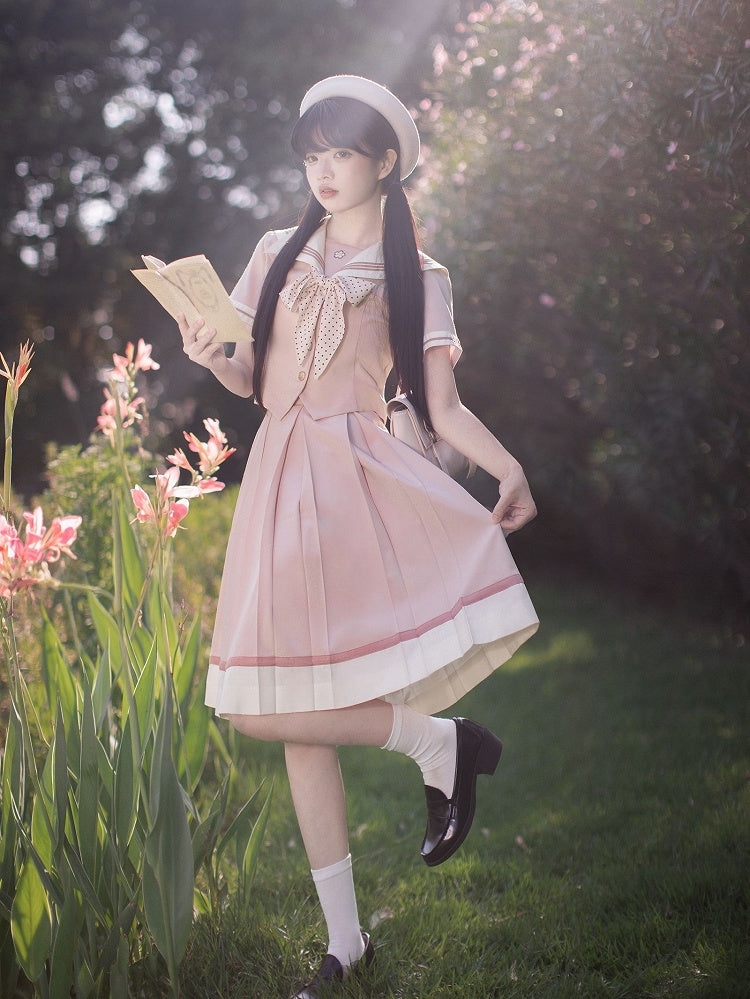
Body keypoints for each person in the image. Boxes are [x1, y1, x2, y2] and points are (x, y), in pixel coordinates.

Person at [178, 74, 539, 998]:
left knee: (268, 705)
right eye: (312, 154)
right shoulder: (275, 250)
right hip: (276, 478)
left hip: (352, 480)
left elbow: (442, 404)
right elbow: (253, 379)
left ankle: (438, 746)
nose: (323, 170)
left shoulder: (418, 275)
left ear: (385, 161)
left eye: (340, 152)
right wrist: (211, 352)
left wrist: (507, 468)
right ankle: (347, 940)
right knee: (281, 710)